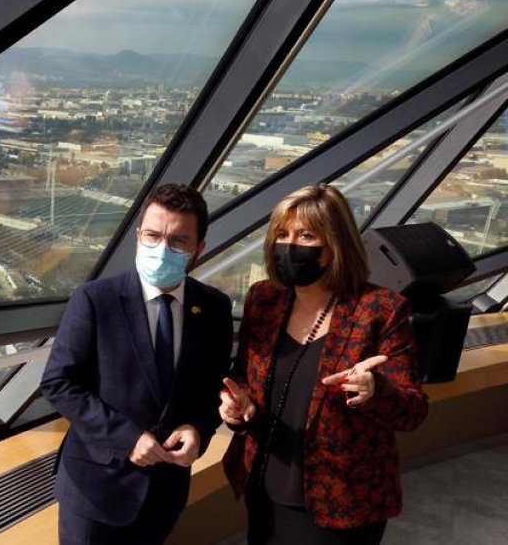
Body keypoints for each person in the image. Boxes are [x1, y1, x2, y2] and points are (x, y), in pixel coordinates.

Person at [220, 184, 428, 545]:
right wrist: (238, 407)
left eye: (305, 235)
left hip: (342, 503)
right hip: (265, 486)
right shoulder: (264, 299)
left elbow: (413, 411)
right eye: (282, 234)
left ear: (334, 245)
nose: (289, 245)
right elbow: (244, 376)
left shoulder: (381, 310)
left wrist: (374, 391)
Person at [41, 183, 234, 544]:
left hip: (165, 491)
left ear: (198, 250)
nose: (162, 249)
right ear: (137, 237)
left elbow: (212, 388)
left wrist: (197, 428)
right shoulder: (95, 300)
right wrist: (127, 437)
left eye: (178, 241)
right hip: (94, 491)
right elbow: (58, 383)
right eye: (152, 235)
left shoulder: (214, 308)